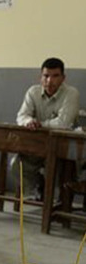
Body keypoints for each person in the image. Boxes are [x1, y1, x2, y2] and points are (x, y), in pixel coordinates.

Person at [15, 57, 80, 198]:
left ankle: (54, 200)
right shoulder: (33, 92)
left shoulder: (71, 93)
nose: (50, 81)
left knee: (56, 169)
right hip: (37, 145)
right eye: (46, 76)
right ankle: (35, 190)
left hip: (62, 148)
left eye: (55, 76)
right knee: (16, 164)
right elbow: (21, 116)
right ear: (40, 77)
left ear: (63, 78)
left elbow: (63, 124)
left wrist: (39, 125)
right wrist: (29, 121)